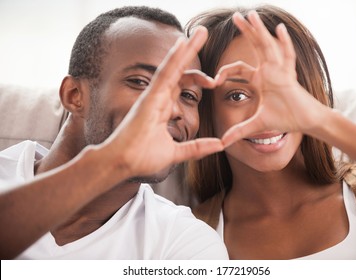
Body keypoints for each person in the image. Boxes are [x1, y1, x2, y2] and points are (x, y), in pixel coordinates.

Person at [0, 6, 229, 260]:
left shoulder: (185, 242)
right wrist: (110, 163)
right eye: (141, 82)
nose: (172, 108)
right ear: (74, 96)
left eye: (188, 95)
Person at [185, 5, 356, 259]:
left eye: (283, 90)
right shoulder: (188, 235)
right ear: (206, 112)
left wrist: (319, 119)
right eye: (236, 95)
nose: (265, 112)